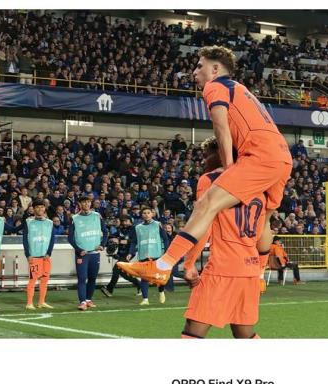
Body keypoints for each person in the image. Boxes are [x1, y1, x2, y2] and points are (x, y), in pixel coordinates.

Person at [119, 45, 292, 287]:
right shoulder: (242, 90)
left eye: (200, 66)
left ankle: (163, 265)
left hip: (260, 156)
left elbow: (221, 127)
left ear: (215, 69)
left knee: (206, 203)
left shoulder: (215, 86)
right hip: (282, 157)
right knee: (265, 219)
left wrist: (229, 167)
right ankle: (259, 276)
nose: (194, 72)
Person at [179, 136, 266, 339]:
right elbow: (263, 233)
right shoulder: (259, 186)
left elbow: (203, 224)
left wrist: (189, 263)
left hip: (222, 268)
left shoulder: (210, 180)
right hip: (249, 270)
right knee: (244, 333)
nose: (204, 160)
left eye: (207, 154)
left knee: (193, 330)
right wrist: (260, 270)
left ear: (221, 152)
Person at [68, 196, 108, 311]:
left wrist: (102, 245)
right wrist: (79, 250)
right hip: (82, 254)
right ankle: (82, 302)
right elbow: (70, 238)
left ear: (91, 203)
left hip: (95, 253)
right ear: (79, 204)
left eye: (88, 202)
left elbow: (105, 232)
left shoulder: (97, 216)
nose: (86, 204)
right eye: (84, 202)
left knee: (92, 278)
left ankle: (88, 300)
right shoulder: (74, 218)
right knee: (82, 278)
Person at [126, 207, 169, 306]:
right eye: (144, 213)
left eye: (148, 213)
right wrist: (130, 253)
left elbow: (165, 239)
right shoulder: (138, 227)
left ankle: (161, 292)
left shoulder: (157, 224)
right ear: (142, 215)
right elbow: (134, 242)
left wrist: (166, 252)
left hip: (157, 254)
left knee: (158, 277)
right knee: (144, 277)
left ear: (152, 214)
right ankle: (145, 299)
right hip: (143, 255)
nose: (146, 215)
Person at [22, 199, 55, 310]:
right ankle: (29, 303)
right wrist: (28, 254)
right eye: (37, 207)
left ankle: (41, 302)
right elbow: (25, 239)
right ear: (34, 209)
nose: (40, 209)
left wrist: (49, 253)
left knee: (45, 279)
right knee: (32, 280)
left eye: (42, 207)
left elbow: (52, 239)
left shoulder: (50, 223)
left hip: (45, 257)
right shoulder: (28, 222)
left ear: (44, 208)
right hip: (34, 256)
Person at [100, 215, 141, 298]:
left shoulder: (134, 229)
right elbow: (112, 236)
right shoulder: (121, 229)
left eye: (126, 221)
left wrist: (119, 241)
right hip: (121, 253)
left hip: (129, 253)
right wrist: (110, 238)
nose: (124, 223)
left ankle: (109, 289)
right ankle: (139, 285)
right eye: (123, 221)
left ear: (130, 221)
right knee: (123, 273)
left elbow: (133, 241)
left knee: (116, 268)